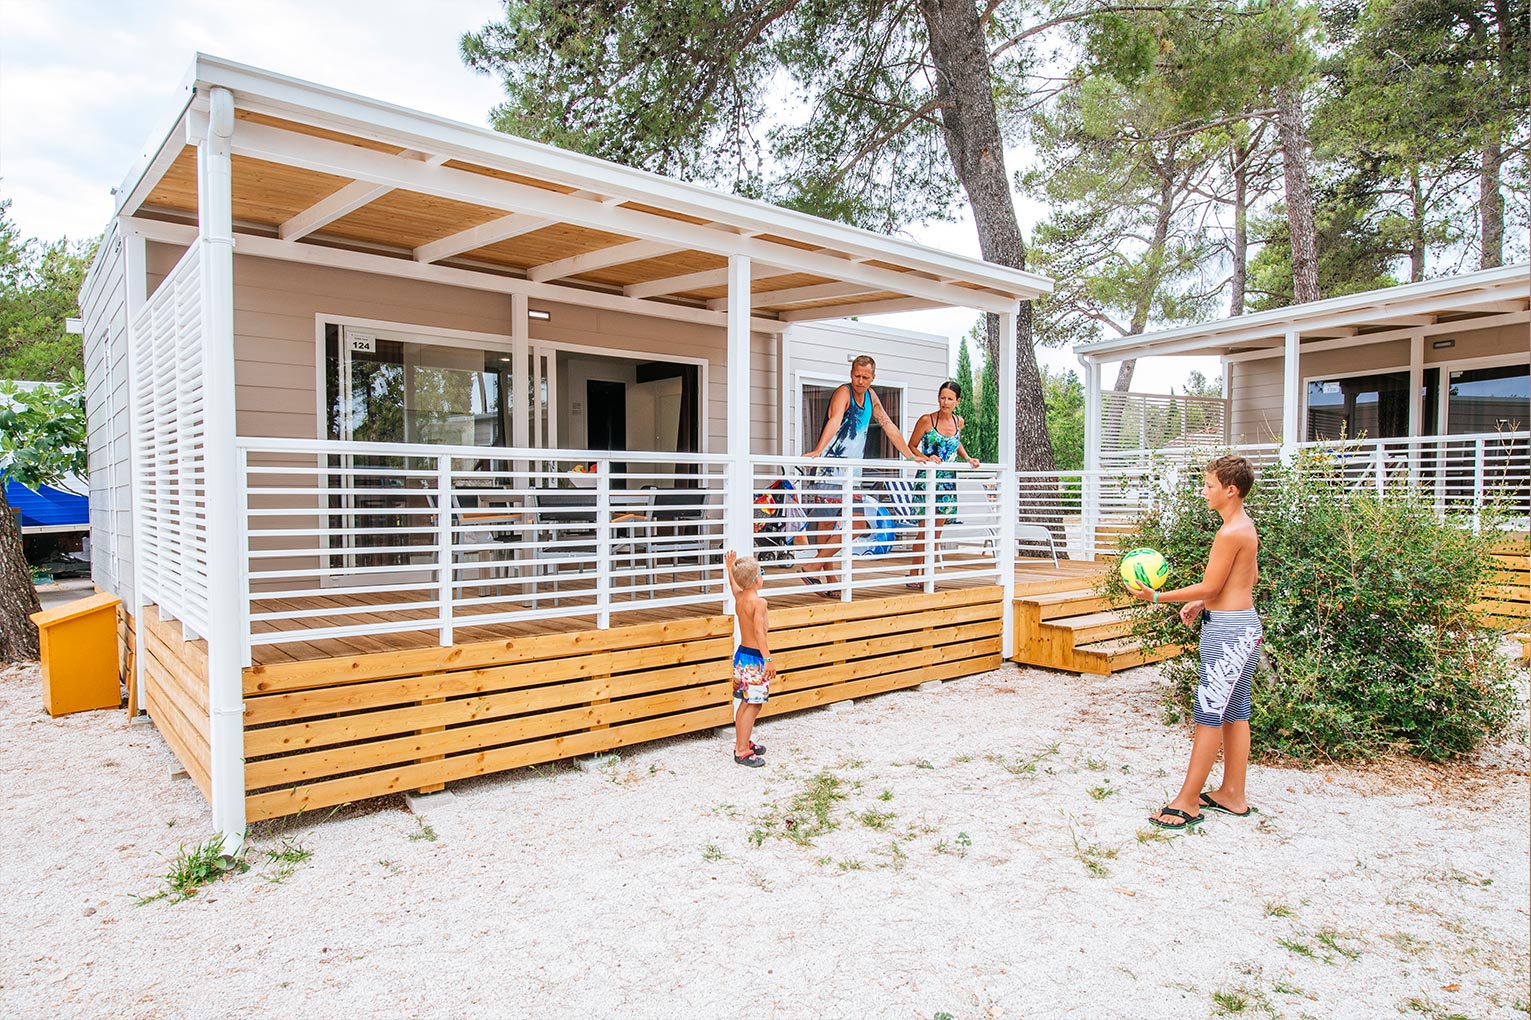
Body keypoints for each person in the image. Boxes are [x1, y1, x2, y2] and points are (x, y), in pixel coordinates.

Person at [1127, 455, 1262, 831]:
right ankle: (1232, 793)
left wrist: (1156, 597)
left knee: (1209, 714)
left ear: (1230, 490)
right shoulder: (1244, 526)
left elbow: (1212, 585)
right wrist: (1205, 602)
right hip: (1243, 626)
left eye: (1209, 486)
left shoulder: (1229, 533)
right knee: (1235, 712)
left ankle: (1187, 801)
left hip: (1228, 632)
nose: (1204, 492)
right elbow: (1246, 577)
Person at [800, 355, 932, 596]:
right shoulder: (843, 392)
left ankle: (813, 566)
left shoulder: (871, 397)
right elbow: (835, 419)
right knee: (829, 525)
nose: (860, 381)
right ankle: (829, 580)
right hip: (831, 469)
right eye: (856, 376)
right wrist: (818, 450)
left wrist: (911, 456)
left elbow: (888, 425)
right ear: (851, 374)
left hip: (852, 473)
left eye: (865, 377)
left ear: (873, 377)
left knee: (857, 524)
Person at [903, 380, 981, 589]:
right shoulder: (927, 420)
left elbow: (956, 443)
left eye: (949, 399)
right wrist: (927, 458)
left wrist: (967, 458)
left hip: (947, 482)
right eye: (942, 397)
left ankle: (925, 575)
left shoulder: (959, 422)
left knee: (937, 531)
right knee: (925, 529)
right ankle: (914, 576)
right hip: (928, 481)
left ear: (957, 401)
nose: (945, 402)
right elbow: (911, 446)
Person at [725, 550, 775, 767]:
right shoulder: (759, 603)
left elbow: (734, 586)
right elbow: (758, 633)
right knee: (753, 704)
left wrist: (730, 568)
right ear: (756, 580)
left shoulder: (740, 598)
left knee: (746, 701)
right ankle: (742, 750)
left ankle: (742, 742)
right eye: (761, 573)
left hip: (741, 655)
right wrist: (768, 659)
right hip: (755, 659)